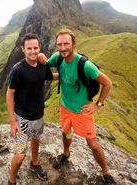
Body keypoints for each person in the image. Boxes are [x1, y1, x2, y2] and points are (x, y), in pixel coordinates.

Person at [38, 28, 116, 185]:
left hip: (81, 110)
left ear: (73, 44)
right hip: (65, 106)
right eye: (59, 44)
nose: (63, 48)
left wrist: (97, 104)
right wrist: (42, 59)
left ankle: (106, 173)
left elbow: (107, 83)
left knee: (92, 143)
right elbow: (46, 69)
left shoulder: (85, 65)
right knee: (65, 132)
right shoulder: (57, 58)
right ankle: (65, 154)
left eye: (66, 44)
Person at [6, 33, 54, 185]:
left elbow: (50, 77)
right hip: (22, 119)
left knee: (36, 139)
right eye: (29, 48)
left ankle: (35, 163)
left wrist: (72, 76)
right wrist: (13, 120)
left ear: (39, 48)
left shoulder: (42, 63)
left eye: (35, 47)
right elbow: (10, 93)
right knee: (20, 154)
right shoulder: (18, 70)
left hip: (38, 114)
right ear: (23, 49)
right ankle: (11, 180)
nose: (33, 51)